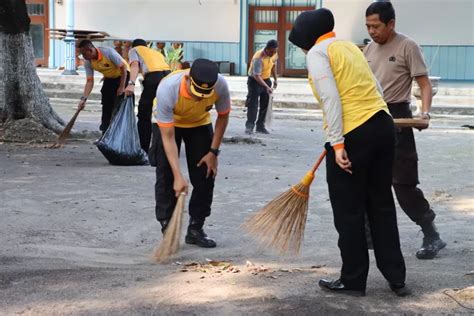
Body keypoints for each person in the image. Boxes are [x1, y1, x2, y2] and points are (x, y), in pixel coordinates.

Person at [289, 8, 408, 297]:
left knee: (349, 210)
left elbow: (330, 97)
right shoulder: (349, 47)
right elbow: (376, 86)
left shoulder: (317, 53)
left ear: (306, 36)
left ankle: (353, 279)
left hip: (354, 133)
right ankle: (396, 277)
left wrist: (337, 143)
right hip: (382, 125)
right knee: (381, 203)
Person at [364, 2, 446, 260]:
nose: (372, 31)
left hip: (399, 118)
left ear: (391, 24)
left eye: (376, 26)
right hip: (371, 116)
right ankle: (369, 235)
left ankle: (431, 233)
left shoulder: (407, 46)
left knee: (403, 184)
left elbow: (424, 84)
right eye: (368, 26)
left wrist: (426, 112)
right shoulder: (367, 49)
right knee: (367, 180)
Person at [149, 59, 231, 248]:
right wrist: (178, 176)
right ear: (187, 79)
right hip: (169, 124)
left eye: (204, 95)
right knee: (166, 175)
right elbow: (168, 137)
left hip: (199, 124)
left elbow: (223, 116)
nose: (199, 99)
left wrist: (213, 152)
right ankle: (167, 229)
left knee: (206, 174)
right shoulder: (168, 89)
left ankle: (196, 228)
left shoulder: (221, 85)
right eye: (196, 94)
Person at [125, 39, 171, 152]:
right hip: (168, 78)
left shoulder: (134, 50)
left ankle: (143, 149)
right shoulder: (156, 52)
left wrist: (131, 83)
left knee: (144, 113)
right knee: (165, 113)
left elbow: (134, 65)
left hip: (154, 78)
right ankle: (167, 148)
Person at [77, 40, 130, 133]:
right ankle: (105, 130)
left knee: (118, 102)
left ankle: (118, 131)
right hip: (109, 78)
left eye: (84, 54)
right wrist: (84, 99)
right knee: (106, 103)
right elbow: (89, 81)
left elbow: (123, 68)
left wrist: (122, 87)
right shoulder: (88, 61)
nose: (83, 57)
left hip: (123, 75)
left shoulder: (108, 52)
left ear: (90, 50)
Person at [245, 39, 278, 135]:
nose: (273, 54)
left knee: (265, 104)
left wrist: (275, 79)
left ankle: (260, 126)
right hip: (254, 81)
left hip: (266, 79)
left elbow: (273, 66)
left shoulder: (274, 54)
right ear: (266, 49)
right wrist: (266, 87)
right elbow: (256, 76)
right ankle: (249, 126)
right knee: (253, 104)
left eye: (274, 51)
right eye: (271, 51)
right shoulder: (258, 58)